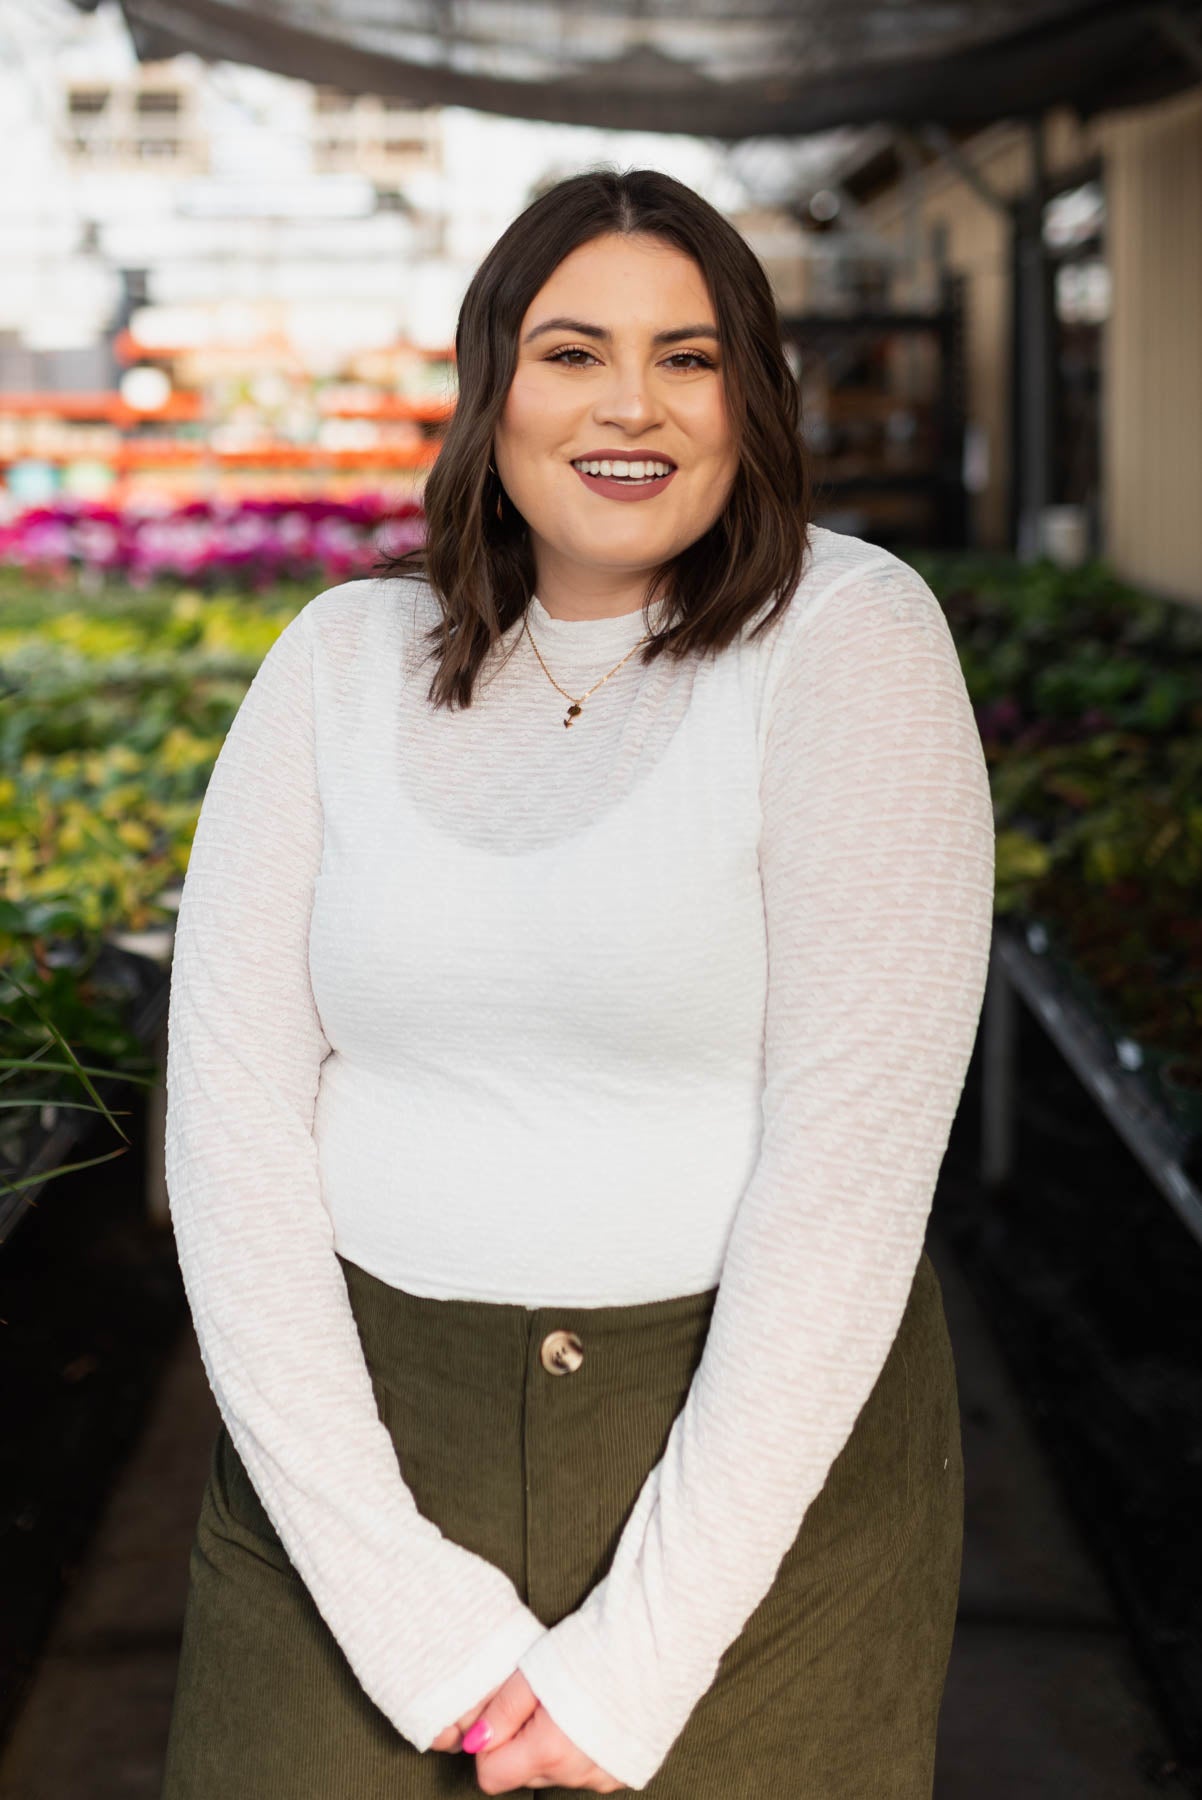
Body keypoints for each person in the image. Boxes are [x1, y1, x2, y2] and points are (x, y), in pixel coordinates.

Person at [161, 166, 996, 1798]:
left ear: (750, 394)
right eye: (571, 352)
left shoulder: (846, 637)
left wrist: (641, 1655)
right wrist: (401, 1606)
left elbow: (849, 1178)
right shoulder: (340, 661)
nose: (633, 406)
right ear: (492, 390)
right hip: (355, 1460)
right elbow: (235, 1129)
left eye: (688, 357)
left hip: (755, 1472)